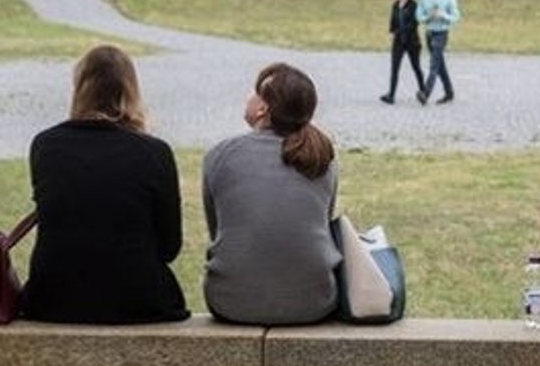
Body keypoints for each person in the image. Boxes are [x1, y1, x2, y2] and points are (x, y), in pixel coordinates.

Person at [19, 44, 189, 324]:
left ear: (79, 88)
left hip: (55, 296)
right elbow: (169, 246)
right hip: (138, 298)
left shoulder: (46, 145)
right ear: (131, 90)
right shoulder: (154, 152)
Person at [202, 63, 341, 325]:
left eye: (255, 91)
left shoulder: (219, 155)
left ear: (262, 108)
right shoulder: (323, 159)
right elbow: (319, 225)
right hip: (314, 301)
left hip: (230, 300)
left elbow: (219, 231)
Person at [414, 0, 460, 105]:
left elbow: (456, 17)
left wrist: (443, 15)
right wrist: (429, 16)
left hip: (441, 34)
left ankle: (425, 93)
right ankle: (449, 93)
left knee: (434, 64)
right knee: (440, 66)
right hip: (429, 34)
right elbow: (418, 16)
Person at [379, 0, 426, 104]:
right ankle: (391, 95)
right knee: (395, 68)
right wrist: (391, 32)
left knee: (416, 67)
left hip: (412, 42)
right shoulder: (395, 5)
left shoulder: (413, 5)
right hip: (398, 42)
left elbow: (413, 24)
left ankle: (423, 90)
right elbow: (392, 22)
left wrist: (397, 31)